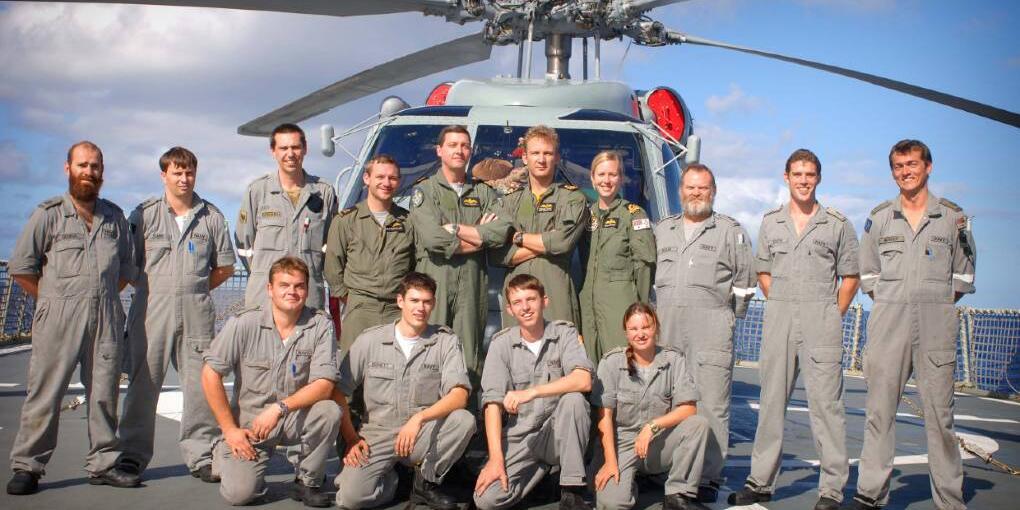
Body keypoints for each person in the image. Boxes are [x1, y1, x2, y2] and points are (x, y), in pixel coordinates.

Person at [848, 140, 976, 510]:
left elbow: (963, 277)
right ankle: (871, 494)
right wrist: (895, 304)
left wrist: (929, 304)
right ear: (892, 172)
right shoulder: (880, 217)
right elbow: (869, 274)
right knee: (879, 413)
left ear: (929, 167)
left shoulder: (953, 218)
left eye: (913, 164)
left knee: (940, 418)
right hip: (889, 325)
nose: (906, 171)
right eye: (899, 166)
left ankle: (949, 500)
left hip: (936, 326)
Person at [729, 149, 860, 510]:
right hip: (780, 317)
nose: (804, 181)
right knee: (771, 402)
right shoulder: (771, 222)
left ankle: (831, 490)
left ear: (818, 178)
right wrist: (782, 301)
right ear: (786, 177)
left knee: (827, 408)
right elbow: (764, 272)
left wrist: (831, 313)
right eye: (797, 174)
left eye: (810, 175)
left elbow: (851, 276)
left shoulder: (837, 224)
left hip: (822, 320)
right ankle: (760, 482)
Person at [7, 141, 139, 495]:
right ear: (68, 168)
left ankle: (104, 463)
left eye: (95, 167)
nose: (89, 172)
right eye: (82, 165)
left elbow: (126, 268)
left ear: (102, 172)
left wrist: (101, 297)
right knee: (45, 393)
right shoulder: (48, 214)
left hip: (106, 315)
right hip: (58, 317)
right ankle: (28, 466)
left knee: (105, 391)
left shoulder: (114, 217)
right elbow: (22, 269)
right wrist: (53, 300)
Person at [116, 147, 236, 483]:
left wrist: (194, 290)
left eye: (189, 173)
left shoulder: (211, 216)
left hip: (196, 311)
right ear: (164, 175)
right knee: (144, 382)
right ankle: (131, 455)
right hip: (151, 309)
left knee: (200, 387)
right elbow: (130, 263)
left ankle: (201, 455)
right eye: (176, 172)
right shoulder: (144, 215)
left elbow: (224, 267)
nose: (184, 179)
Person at [652, 163, 755, 503]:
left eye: (703, 188)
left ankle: (708, 476)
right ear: (680, 191)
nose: (696, 193)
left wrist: (725, 321)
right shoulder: (661, 230)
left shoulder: (731, 232)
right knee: (665, 398)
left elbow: (745, 286)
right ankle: (665, 467)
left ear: (713, 192)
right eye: (690, 188)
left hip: (711, 329)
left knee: (711, 404)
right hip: (667, 328)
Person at [201, 257, 340, 507]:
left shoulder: (320, 325)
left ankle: (307, 481)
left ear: (307, 290)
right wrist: (229, 429)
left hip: (293, 416)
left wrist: (279, 408)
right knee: (240, 495)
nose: (292, 292)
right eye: (284, 285)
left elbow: (325, 384)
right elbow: (210, 374)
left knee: (329, 411)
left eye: (299, 286)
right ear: (269, 289)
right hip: (252, 425)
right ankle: (225, 451)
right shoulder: (243, 323)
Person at [333, 272, 475, 510]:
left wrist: (419, 418)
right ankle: (393, 481)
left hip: (421, 434)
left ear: (434, 304)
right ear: (400, 301)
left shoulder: (445, 341)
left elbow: (459, 394)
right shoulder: (371, 341)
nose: (421, 308)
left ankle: (426, 482)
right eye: (414, 300)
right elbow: (338, 391)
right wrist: (350, 438)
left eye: (427, 302)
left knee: (463, 419)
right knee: (351, 499)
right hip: (377, 435)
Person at [474, 274, 594, 510]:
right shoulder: (501, 344)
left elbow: (583, 380)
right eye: (518, 302)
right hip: (522, 437)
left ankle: (572, 490)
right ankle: (542, 482)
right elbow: (492, 404)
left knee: (574, 401)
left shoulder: (564, 334)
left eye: (531, 299)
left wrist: (533, 392)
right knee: (486, 499)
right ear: (509, 309)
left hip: (559, 433)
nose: (526, 307)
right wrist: (496, 460)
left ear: (544, 301)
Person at [408, 125, 512, 386]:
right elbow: (433, 239)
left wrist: (456, 229)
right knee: (429, 348)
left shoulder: (483, 192)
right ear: (439, 150)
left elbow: (500, 231)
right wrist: (479, 238)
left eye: (465, 146)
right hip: (436, 280)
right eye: (453, 145)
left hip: (472, 281)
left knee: (469, 352)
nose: (459, 151)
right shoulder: (425, 192)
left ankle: (466, 417)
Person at [591, 302, 710, 510]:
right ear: (626, 333)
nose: (640, 334)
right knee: (612, 504)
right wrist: (610, 462)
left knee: (698, 424)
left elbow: (689, 408)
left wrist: (652, 426)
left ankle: (677, 494)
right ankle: (632, 482)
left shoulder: (673, 360)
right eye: (634, 329)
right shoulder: (611, 362)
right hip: (623, 446)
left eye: (646, 327)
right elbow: (605, 417)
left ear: (655, 327)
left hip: (657, 443)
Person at [235, 123, 338, 311]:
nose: (290, 154)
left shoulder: (324, 192)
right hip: (264, 299)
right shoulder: (257, 191)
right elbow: (244, 244)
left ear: (305, 149)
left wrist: (312, 271)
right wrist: (263, 274)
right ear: (273, 151)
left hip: (307, 298)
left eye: (295, 147)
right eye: (283, 148)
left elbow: (332, 245)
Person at [494, 125, 589, 327]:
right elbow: (498, 253)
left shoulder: (572, 198)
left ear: (556, 157)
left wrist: (518, 238)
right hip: (517, 297)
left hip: (555, 293)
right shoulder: (510, 201)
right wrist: (547, 242)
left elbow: (562, 243)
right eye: (535, 153)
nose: (541, 159)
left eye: (547, 153)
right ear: (525, 157)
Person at [325, 155, 416, 352]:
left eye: (392, 178)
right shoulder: (346, 220)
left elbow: (415, 265)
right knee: (352, 373)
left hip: (396, 310)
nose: (386, 183)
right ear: (367, 179)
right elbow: (333, 266)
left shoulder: (408, 222)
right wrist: (349, 299)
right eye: (380, 177)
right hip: (359, 308)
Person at [579, 151, 656, 361]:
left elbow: (644, 265)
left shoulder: (633, 215)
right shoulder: (585, 215)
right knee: (589, 365)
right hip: (587, 303)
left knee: (620, 362)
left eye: (612, 175)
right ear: (593, 179)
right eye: (601, 174)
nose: (606, 180)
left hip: (620, 303)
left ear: (621, 179)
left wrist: (638, 308)